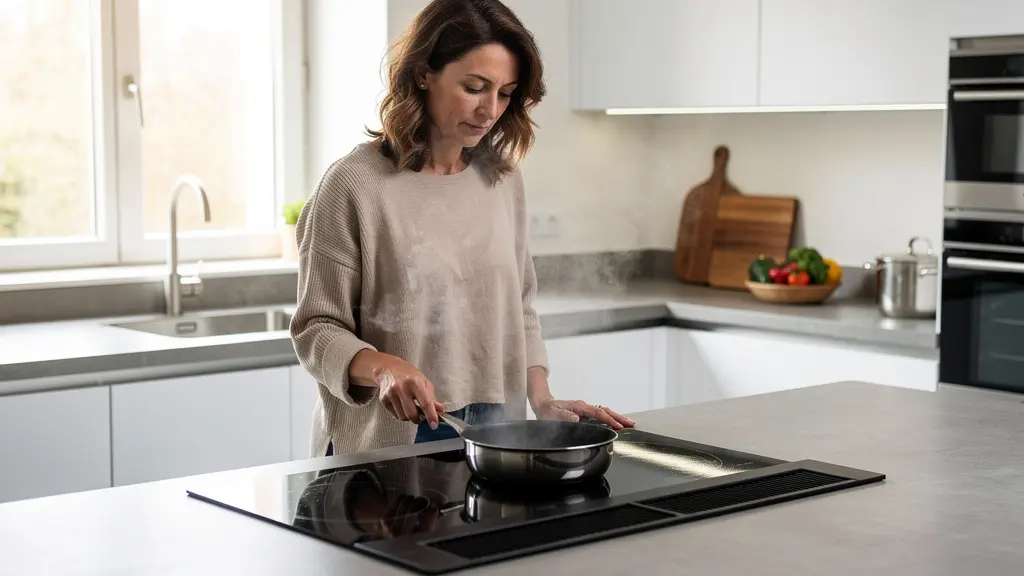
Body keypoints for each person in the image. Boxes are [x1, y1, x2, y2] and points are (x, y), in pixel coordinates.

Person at [290, 0, 634, 459]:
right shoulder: (355, 184)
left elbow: (519, 307)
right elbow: (316, 329)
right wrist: (385, 369)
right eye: (474, 87)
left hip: (497, 428)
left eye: (505, 93)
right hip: (392, 435)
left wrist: (542, 399)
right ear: (423, 74)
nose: (490, 110)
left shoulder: (501, 178)